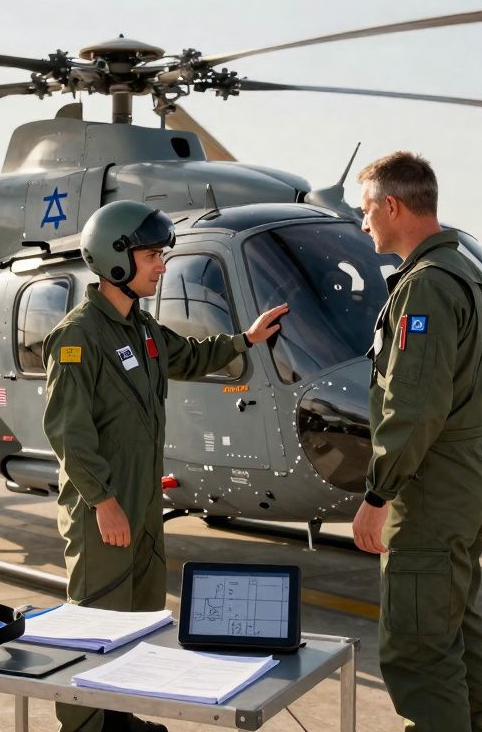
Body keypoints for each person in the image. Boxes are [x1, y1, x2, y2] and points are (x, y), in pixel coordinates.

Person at [44, 200, 288, 732]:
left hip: (143, 502)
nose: (161, 266)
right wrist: (103, 502)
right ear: (116, 260)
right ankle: (84, 727)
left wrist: (246, 338)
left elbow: (193, 356)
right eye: (153, 256)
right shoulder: (79, 336)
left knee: (137, 619)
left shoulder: (144, 329)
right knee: (96, 621)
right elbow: (68, 430)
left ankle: (121, 717)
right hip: (103, 505)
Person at [350, 152, 482, 732]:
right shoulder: (466, 274)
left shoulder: (427, 287)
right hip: (462, 480)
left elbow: (413, 407)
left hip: (430, 489)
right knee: (454, 628)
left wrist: (377, 495)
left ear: (393, 205)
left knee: (417, 647)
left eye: (367, 210)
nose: (365, 224)